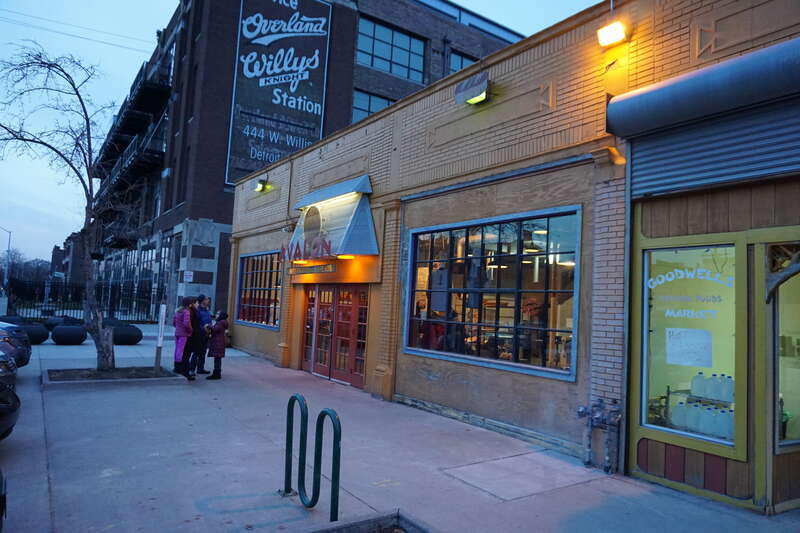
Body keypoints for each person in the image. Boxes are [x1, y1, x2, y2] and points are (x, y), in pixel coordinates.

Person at [182, 298, 203, 379]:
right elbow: (188, 324)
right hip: (192, 336)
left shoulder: (190, 311)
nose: (197, 304)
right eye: (196, 303)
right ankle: (186, 372)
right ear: (191, 304)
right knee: (187, 355)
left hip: (192, 335)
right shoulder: (191, 312)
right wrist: (191, 331)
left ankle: (185, 371)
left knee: (186, 354)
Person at [173, 297, 194, 379]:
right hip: (184, 334)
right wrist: (191, 330)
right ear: (189, 304)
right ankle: (179, 367)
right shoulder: (186, 312)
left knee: (177, 349)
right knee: (181, 350)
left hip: (177, 332)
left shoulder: (178, 311)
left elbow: (174, 322)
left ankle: (176, 365)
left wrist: (178, 327)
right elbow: (186, 323)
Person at [206, 311, 229, 380]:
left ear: (221, 315)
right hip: (220, 342)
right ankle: (217, 372)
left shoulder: (220, 322)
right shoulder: (223, 322)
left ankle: (216, 374)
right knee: (218, 358)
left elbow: (215, 329)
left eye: (218, 314)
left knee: (217, 359)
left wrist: (208, 326)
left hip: (217, 342)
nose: (216, 315)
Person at [193, 295, 213, 374]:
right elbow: (196, 323)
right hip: (199, 334)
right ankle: (192, 369)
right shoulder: (197, 311)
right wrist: (202, 328)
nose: (208, 300)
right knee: (196, 352)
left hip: (206, 334)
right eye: (206, 299)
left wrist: (210, 327)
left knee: (203, 352)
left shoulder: (207, 310)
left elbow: (209, 320)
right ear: (202, 301)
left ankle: (200, 368)